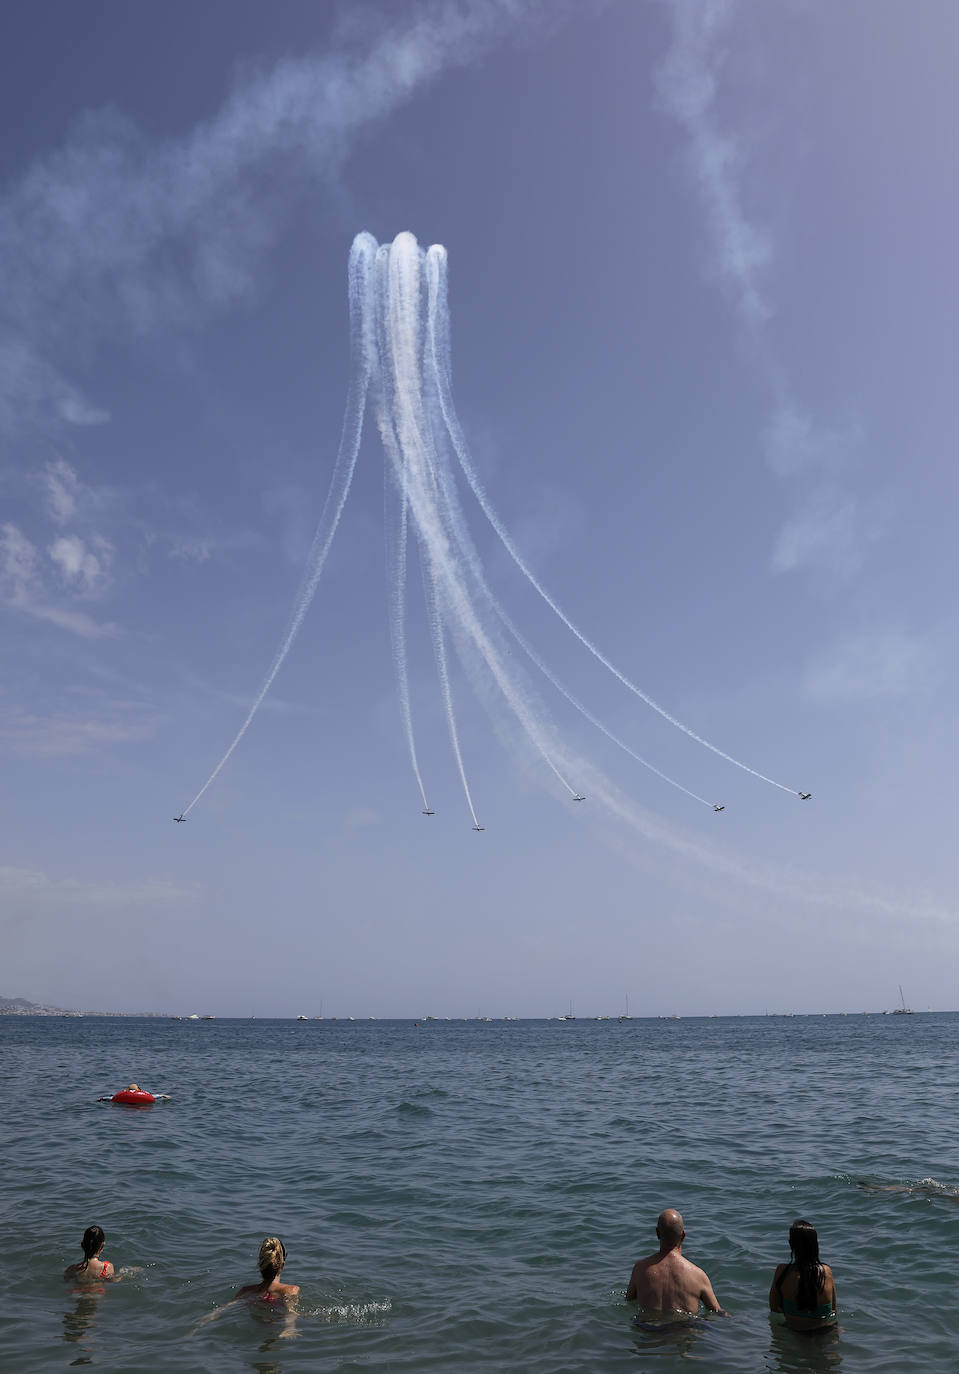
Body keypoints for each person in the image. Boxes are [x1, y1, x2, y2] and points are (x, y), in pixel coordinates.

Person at [188, 1237, 299, 1339]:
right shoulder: (290, 1290)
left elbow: (221, 1310)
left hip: (253, 1329)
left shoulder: (246, 1291)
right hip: (276, 1327)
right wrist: (290, 1328)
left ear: (261, 1265)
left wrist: (198, 1325)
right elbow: (290, 1311)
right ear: (282, 1265)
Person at [626, 1209, 726, 1315]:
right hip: (684, 1328)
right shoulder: (698, 1276)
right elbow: (718, 1312)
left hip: (649, 1328)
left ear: (657, 1233)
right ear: (683, 1236)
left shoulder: (640, 1269)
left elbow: (628, 1301)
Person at [769, 1219, 837, 1330]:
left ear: (791, 1244)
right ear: (815, 1245)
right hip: (824, 1333)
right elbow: (833, 1311)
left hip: (793, 1333)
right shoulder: (827, 1272)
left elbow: (774, 1309)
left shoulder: (782, 1271)